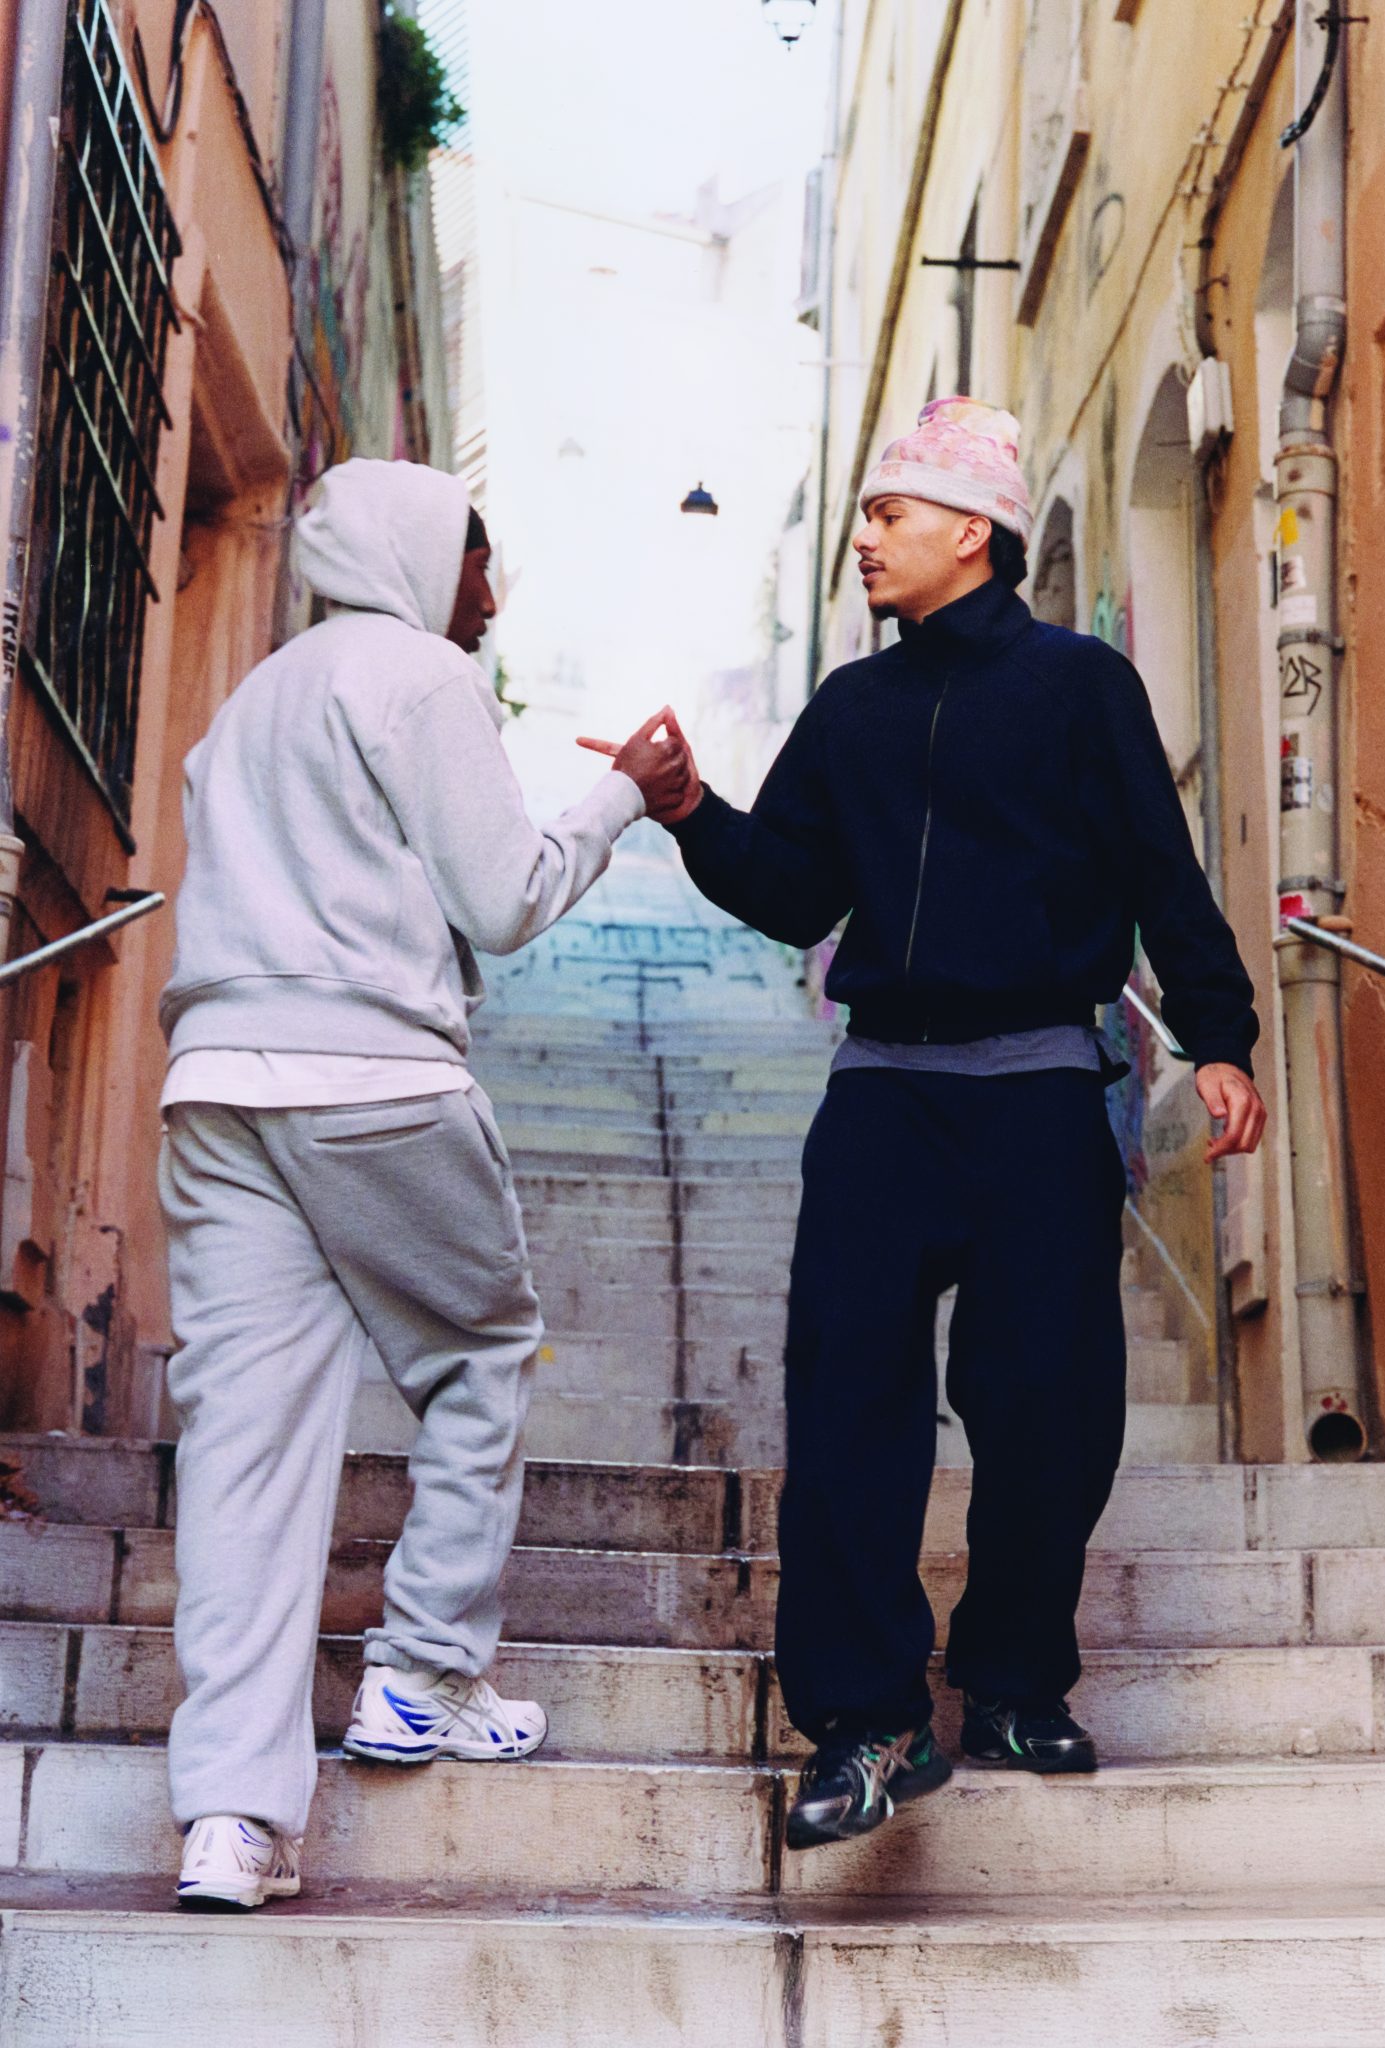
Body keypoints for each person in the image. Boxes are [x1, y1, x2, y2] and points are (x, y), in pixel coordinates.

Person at [584, 398, 1266, 1853]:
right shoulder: (852, 708)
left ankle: (1013, 1682)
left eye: (890, 512)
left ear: (974, 531)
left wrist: (1220, 1035)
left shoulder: (1082, 687)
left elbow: (1163, 866)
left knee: (1051, 1406)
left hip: (1040, 1097)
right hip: (884, 1097)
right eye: (868, 513)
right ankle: (869, 1721)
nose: (866, 536)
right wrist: (690, 808)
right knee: (849, 1403)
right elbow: (793, 895)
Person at [160, 457, 693, 1909]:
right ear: (413, 556)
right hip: (373, 1079)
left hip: (217, 1087)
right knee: (478, 1351)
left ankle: (229, 1819)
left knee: (245, 1449)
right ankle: (423, 1672)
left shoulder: (253, 699)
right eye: (476, 560)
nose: (491, 597)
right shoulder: (416, 678)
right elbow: (506, 897)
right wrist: (624, 799)